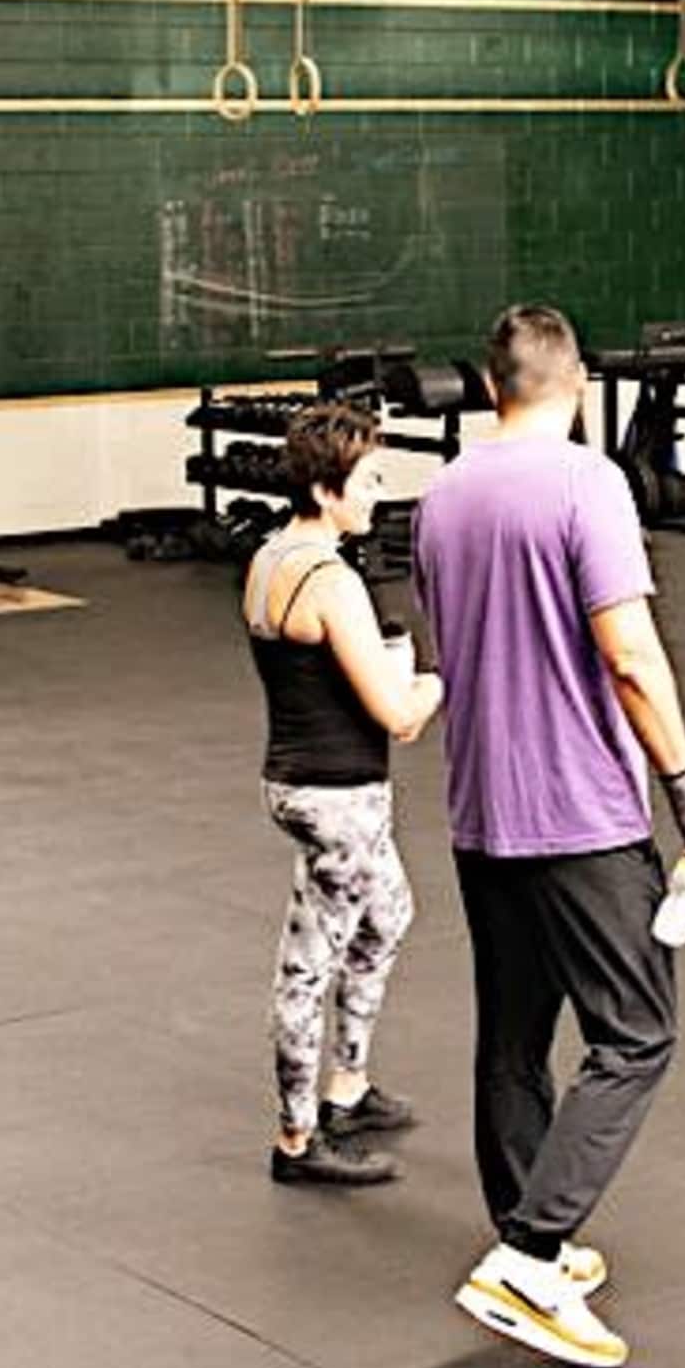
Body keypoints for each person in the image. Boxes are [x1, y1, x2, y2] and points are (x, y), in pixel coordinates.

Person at [413, 305, 685, 1368]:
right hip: (582, 816)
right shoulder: (589, 482)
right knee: (635, 1034)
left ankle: (522, 1229)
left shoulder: (441, 494)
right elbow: (630, 654)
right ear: (576, 379)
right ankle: (533, 1255)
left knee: (512, 1031)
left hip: (479, 810)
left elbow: (449, 644)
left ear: (492, 384)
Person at [241, 401, 442, 1188]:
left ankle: (348, 1087)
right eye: (367, 479)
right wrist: (439, 677)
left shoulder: (268, 556)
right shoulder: (331, 580)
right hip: (338, 796)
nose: (377, 494)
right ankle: (297, 1140)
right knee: (306, 966)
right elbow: (397, 714)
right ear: (326, 491)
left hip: (300, 783)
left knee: (388, 913)